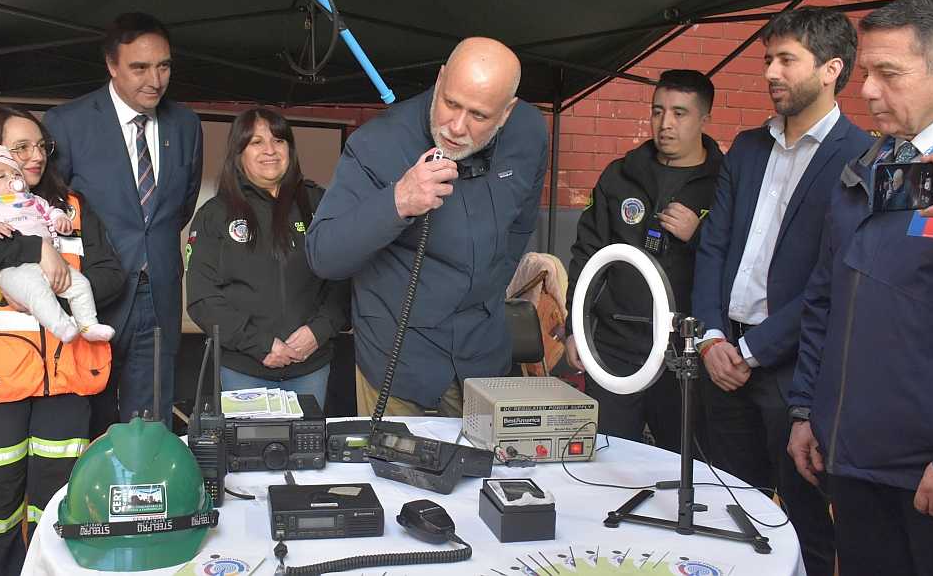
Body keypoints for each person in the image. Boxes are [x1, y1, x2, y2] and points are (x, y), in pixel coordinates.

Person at [787, 0, 933, 576]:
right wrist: (807, 410)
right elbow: (826, 298)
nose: (866, 90)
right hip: (852, 464)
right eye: (866, 72)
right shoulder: (870, 166)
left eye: (888, 74)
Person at [691, 6, 872, 576]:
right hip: (721, 356)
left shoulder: (860, 157)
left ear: (830, 69)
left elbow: (833, 280)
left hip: (795, 371)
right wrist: (712, 338)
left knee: (803, 521)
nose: (770, 71)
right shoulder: (747, 147)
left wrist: (751, 352)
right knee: (724, 509)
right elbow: (713, 247)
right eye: (768, 58)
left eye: (786, 60)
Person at [306, 37, 547, 417]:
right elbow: (324, 255)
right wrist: (398, 201)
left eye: (479, 116)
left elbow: (521, 224)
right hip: (398, 359)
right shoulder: (377, 142)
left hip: (482, 354)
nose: (456, 126)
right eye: (451, 103)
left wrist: (486, 287)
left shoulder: (529, 132)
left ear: (506, 112)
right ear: (440, 79)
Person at [0, 105, 124, 576]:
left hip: (67, 380)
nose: (36, 156)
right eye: (21, 147)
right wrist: (32, 248)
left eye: (41, 146)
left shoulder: (71, 208)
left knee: (59, 503)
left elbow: (111, 273)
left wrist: (56, 295)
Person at [45, 12, 203, 431]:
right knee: (88, 415)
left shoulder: (186, 124)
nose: (155, 80)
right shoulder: (67, 123)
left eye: (164, 66)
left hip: (161, 291)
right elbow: (53, 209)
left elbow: (180, 206)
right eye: (140, 68)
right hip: (95, 293)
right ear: (112, 65)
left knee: (151, 421)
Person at [563, 69, 723, 449]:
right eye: (658, 111)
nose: (665, 124)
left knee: (682, 465)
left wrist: (698, 235)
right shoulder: (619, 176)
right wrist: (575, 328)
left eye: (680, 113)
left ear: (704, 117)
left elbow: (736, 264)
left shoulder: (723, 183)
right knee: (609, 460)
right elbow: (587, 254)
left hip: (684, 354)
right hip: (616, 348)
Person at [186, 108, 349, 408]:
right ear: (239, 153)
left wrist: (318, 331)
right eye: (257, 142)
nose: (270, 150)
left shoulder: (320, 204)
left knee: (307, 440)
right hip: (244, 370)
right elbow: (202, 299)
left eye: (278, 140)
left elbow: (344, 278)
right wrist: (261, 344)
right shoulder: (214, 215)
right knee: (250, 441)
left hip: (311, 366)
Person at [0, 144, 115, 343]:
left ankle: (88, 325)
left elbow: (51, 211)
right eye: (2, 176)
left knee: (80, 285)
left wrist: (60, 219)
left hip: (52, 264)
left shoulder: (33, 200)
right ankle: (62, 326)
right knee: (36, 291)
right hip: (15, 268)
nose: (12, 178)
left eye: (15, 174)